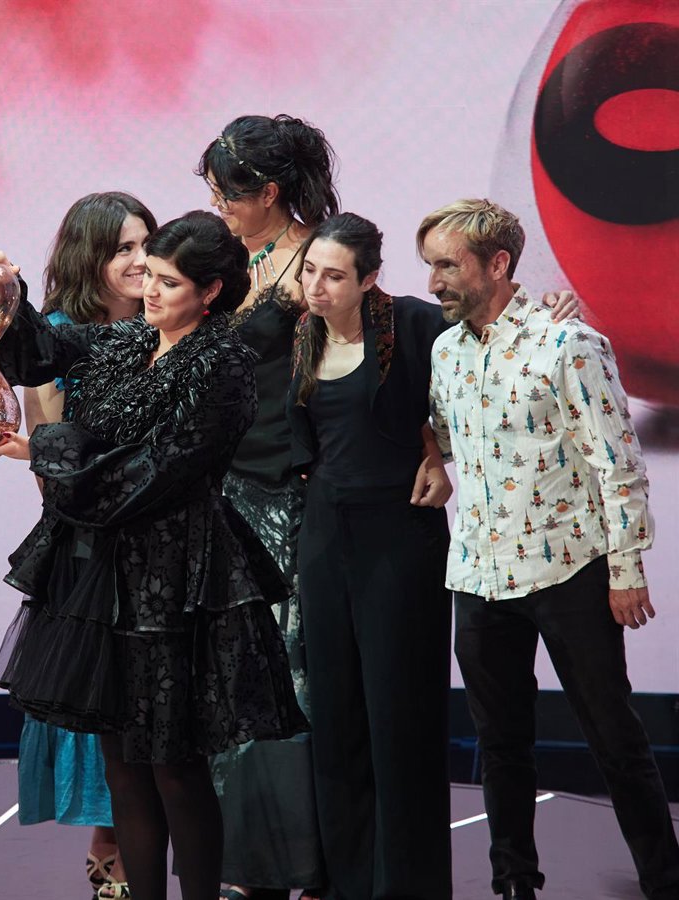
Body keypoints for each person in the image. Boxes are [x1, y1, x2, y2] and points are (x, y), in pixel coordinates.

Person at [0, 209, 308, 900]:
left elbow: (153, 472)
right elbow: (37, 353)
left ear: (210, 292)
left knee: (174, 767)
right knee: (123, 764)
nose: (149, 290)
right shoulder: (128, 339)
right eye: (149, 274)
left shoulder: (224, 366)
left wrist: (38, 448)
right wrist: (5, 294)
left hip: (175, 581)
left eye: (168, 282)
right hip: (103, 577)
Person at [421, 199, 679, 900]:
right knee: (498, 742)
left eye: (448, 265)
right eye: (430, 266)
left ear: (498, 263)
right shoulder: (444, 350)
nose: (434, 281)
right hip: (478, 575)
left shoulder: (569, 345)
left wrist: (626, 569)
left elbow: (618, 465)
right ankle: (514, 882)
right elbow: (442, 432)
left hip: (570, 569)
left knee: (613, 736)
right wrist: (431, 456)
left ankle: (663, 879)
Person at [287, 212, 455, 900]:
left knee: (400, 711)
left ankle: (407, 884)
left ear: (369, 280)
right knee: (336, 713)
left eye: (333, 276)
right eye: (309, 271)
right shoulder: (299, 335)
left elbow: (486, 354)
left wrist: (437, 452)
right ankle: (349, 880)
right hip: (325, 534)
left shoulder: (414, 324)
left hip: (402, 535)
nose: (316, 287)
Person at [195, 112, 339, 900]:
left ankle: (303, 863)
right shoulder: (225, 256)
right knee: (224, 672)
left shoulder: (317, 262)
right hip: (215, 487)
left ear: (270, 193)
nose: (218, 206)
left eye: (228, 195)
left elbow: (356, 363)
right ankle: (237, 863)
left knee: (287, 672)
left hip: (284, 490)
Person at [18, 191, 157, 900]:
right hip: (90, 544)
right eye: (122, 248)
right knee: (104, 697)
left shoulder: (174, 323)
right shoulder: (54, 335)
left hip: (169, 542)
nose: (139, 260)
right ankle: (110, 848)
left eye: (146, 244)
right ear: (88, 257)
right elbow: (50, 457)